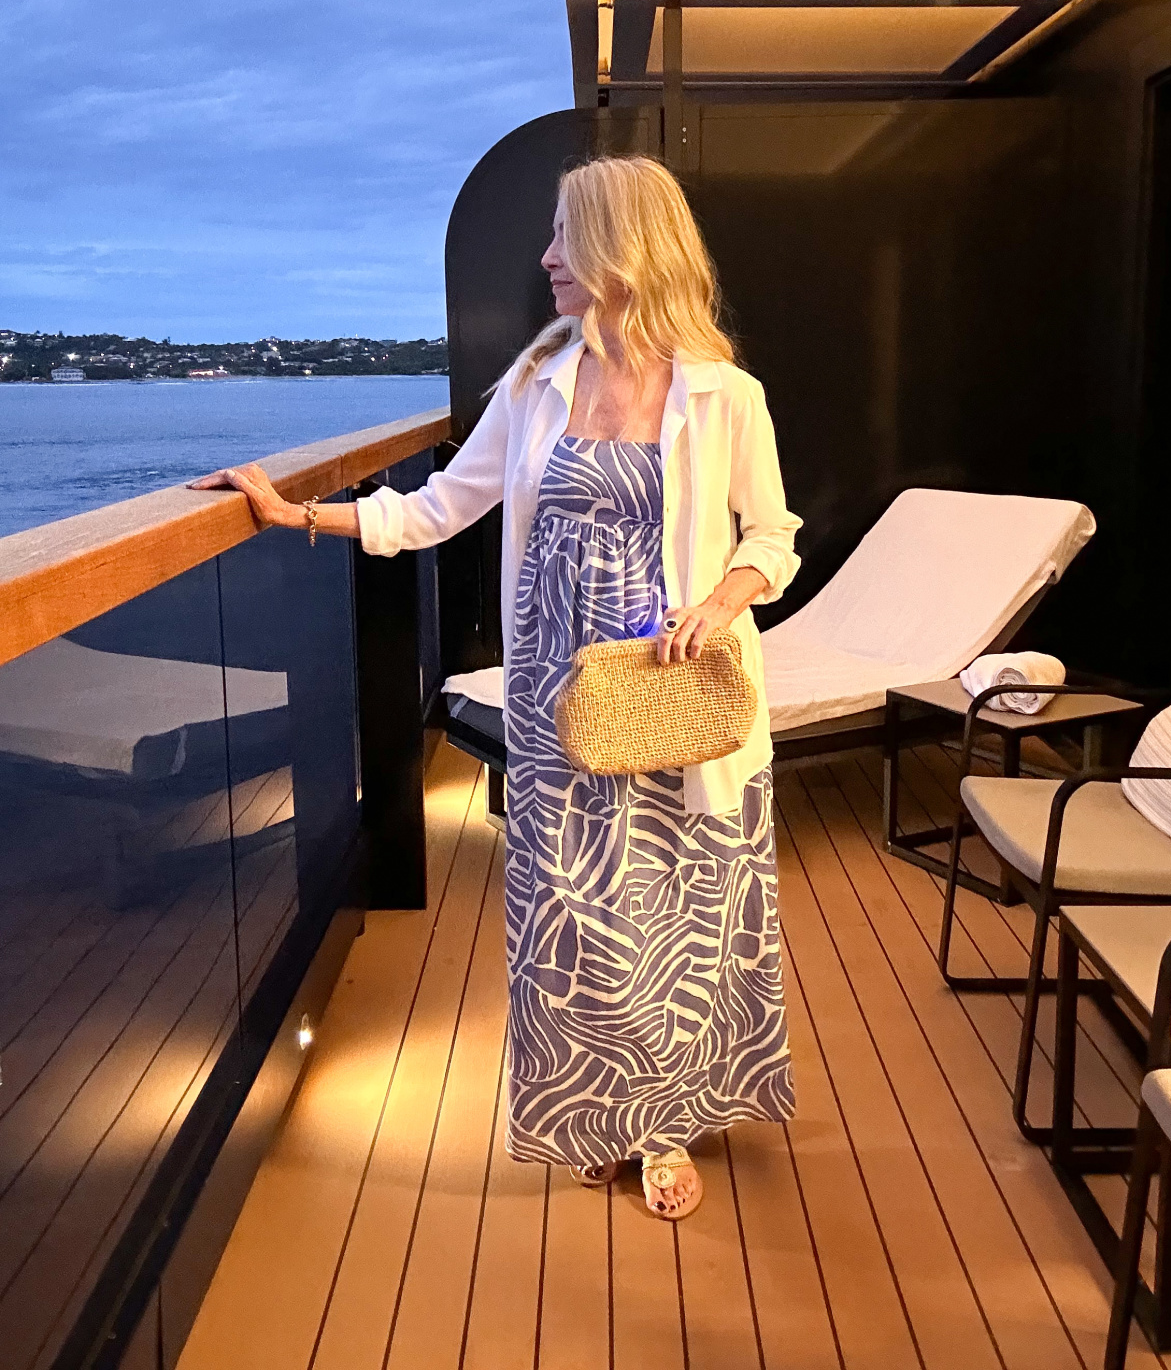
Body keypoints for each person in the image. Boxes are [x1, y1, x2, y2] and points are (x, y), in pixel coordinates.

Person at [191, 154, 802, 1220]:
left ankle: (663, 1121)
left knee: (678, 914)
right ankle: (597, 1109)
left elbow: (776, 536)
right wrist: (293, 514)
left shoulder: (724, 394)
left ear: (623, 248)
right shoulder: (537, 385)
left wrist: (721, 602)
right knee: (578, 920)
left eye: (565, 238)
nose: (548, 259)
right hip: (558, 708)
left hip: (671, 694)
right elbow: (437, 508)